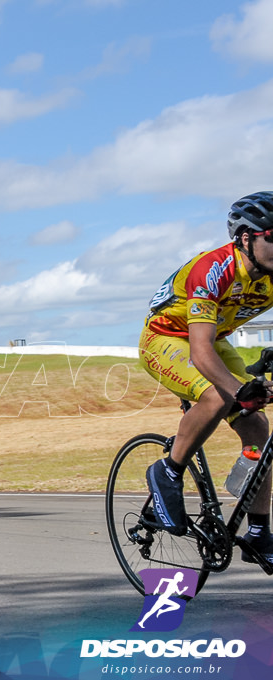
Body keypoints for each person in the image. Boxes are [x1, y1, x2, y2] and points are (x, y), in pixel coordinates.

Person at [141, 191, 273, 565]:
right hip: (169, 338)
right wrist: (239, 389)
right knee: (220, 396)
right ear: (247, 238)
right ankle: (167, 471)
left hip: (216, 337)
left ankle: (260, 533)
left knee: (258, 429)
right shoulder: (213, 269)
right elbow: (200, 352)